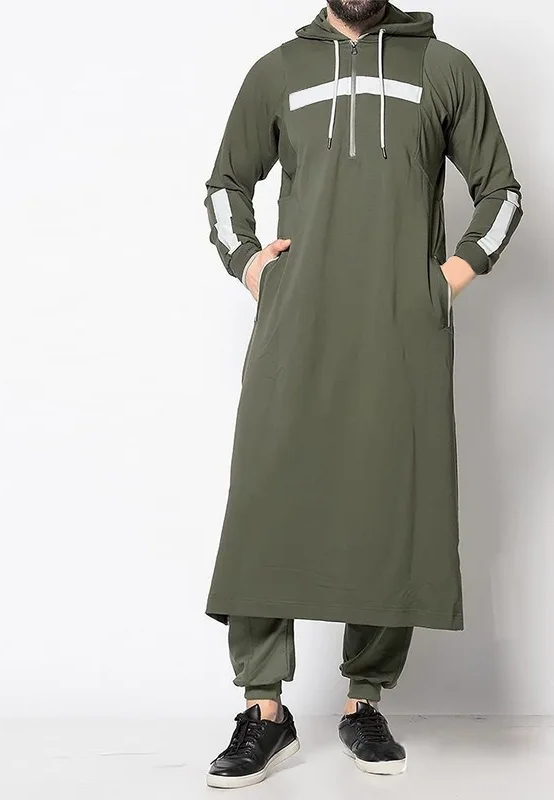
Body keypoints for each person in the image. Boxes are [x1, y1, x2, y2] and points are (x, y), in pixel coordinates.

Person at [202, 0, 522, 788]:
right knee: (268, 499)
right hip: (298, 326)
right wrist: (250, 263)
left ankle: (364, 702)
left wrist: (448, 279)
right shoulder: (279, 71)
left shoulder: (443, 69)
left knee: (388, 502)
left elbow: (502, 193)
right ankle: (263, 712)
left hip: (398, 331)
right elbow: (224, 184)